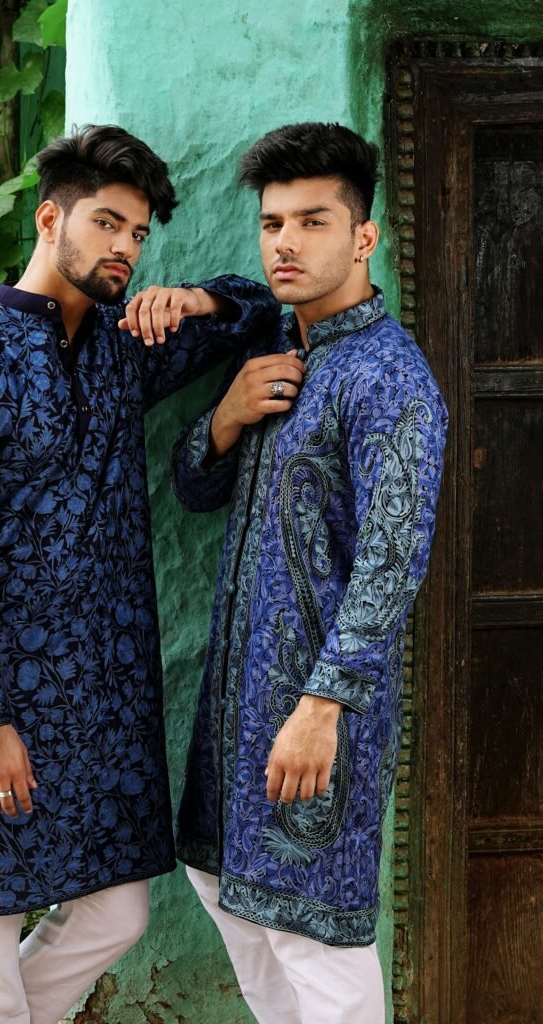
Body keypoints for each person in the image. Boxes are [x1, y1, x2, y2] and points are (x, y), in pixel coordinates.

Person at [0, 124, 280, 1024]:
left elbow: (260, 309)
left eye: (138, 234)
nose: (124, 249)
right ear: (49, 220)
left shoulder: (119, 347)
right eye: (107, 223)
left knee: (118, 911)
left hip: (98, 709)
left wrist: (193, 298)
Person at [172, 122, 448, 1024]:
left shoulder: (388, 379)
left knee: (316, 941)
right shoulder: (274, 345)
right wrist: (225, 417)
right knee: (221, 884)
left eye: (312, 222)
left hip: (314, 715)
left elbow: (392, 561)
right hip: (234, 711)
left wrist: (323, 707)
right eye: (272, 223)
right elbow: (194, 488)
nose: (285, 242)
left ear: (365, 237)